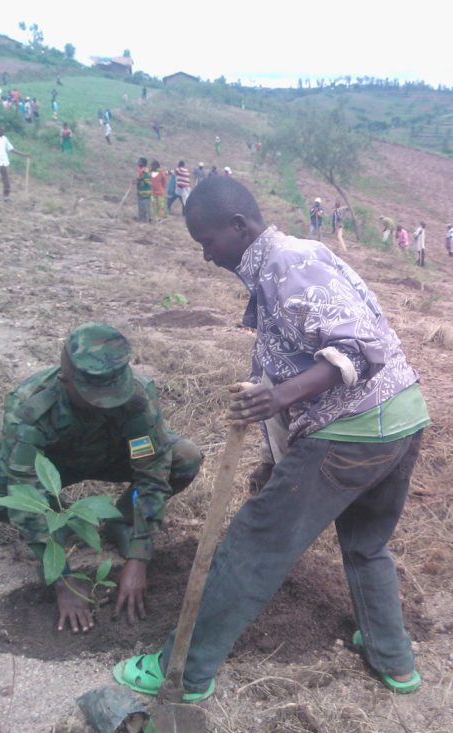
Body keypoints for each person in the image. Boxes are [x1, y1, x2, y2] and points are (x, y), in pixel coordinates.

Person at [112, 176, 430, 702]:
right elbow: (291, 361)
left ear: (239, 227)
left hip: (350, 432)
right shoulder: (290, 264)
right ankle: (392, 658)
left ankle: (182, 672)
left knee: (251, 547)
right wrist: (272, 457)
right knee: (366, 545)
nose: (207, 257)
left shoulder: (287, 264)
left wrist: (281, 398)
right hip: (399, 423)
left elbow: (359, 347)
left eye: (208, 242)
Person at [0, 324, 203, 633]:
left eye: (114, 394)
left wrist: (140, 556)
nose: (107, 403)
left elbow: (152, 475)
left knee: (184, 457)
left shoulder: (138, 396)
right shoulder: (30, 405)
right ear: (66, 378)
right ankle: (62, 519)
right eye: (95, 396)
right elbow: (24, 489)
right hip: (50, 470)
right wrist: (62, 579)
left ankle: (121, 520)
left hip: (113, 456)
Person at [0, 125, 29, 201]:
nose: (3, 132)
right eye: (1, 131)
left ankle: (6, 197)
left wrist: (23, 154)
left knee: (6, 180)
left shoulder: (4, 139)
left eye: (4, 131)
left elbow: (11, 149)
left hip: (5, 161)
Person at [136, 158, 153, 223]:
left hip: (145, 193)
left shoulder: (145, 171)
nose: (138, 163)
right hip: (142, 192)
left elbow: (146, 180)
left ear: (143, 163)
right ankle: (144, 219)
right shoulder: (142, 171)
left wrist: (138, 180)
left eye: (140, 162)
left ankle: (145, 220)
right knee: (143, 206)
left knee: (144, 207)